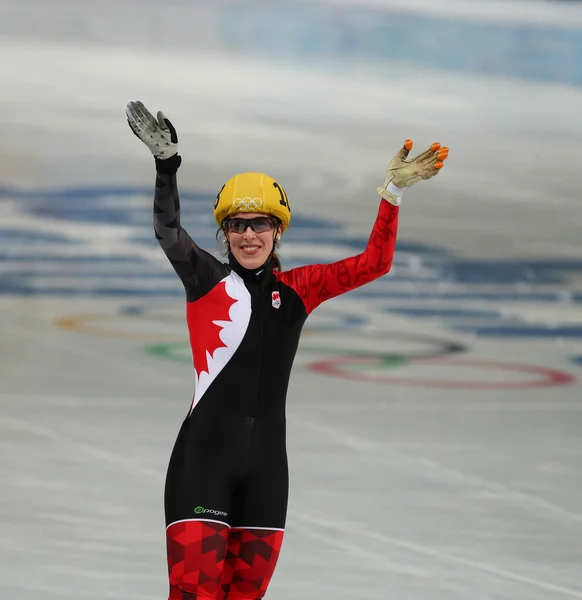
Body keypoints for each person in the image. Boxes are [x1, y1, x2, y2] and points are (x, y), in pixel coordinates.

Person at [126, 100, 448, 600]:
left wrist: (392, 194)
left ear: (278, 230)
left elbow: (375, 264)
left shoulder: (300, 288)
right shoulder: (205, 279)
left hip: (266, 472)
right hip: (201, 465)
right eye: (237, 225)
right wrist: (166, 168)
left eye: (260, 224)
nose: (249, 235)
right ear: (225, 233)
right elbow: (168, 232)